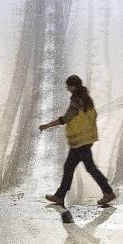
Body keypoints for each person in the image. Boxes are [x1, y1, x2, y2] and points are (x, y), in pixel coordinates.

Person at [39, 75, 116, 207]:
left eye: (68, 86)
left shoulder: (76, 100)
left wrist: (47, 125)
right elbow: (93, 115)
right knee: (71, 167)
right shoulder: (87, 99)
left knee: (88, 168)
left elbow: (66, 118)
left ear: (73, 86)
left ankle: (108, 192)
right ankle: (60, 196)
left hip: (80, 143)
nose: (67, 88)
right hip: (85, 141)